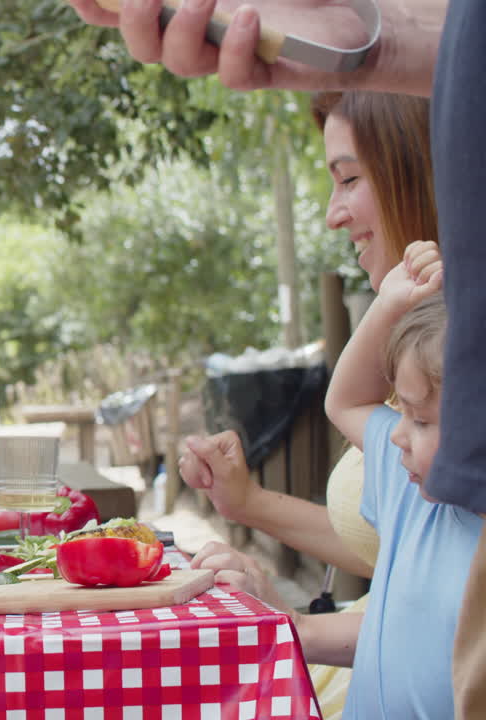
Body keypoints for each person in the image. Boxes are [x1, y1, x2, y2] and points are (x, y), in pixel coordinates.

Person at [65, 3, 486, 716]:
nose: (331, 212)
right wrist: (251, 511)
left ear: (423, 169)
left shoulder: (449, 399)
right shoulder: (415, 414)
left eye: (348, 178)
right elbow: (400, 570)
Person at [201, 243, 474, 718]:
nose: (397, 436)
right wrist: (389, 302)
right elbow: (345, 401)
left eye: (421, 420)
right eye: (400, 413)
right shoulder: (413, 492)